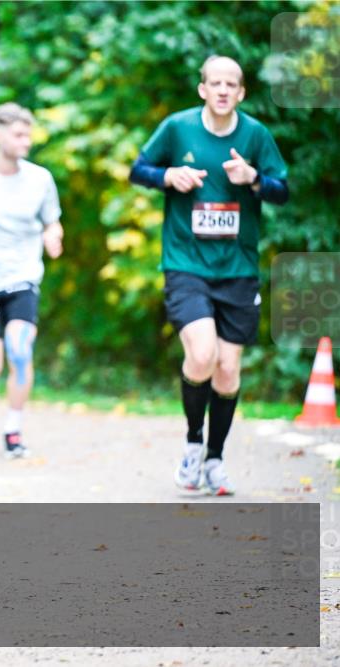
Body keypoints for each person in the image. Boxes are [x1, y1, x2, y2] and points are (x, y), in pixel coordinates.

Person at [130, 55, 289, 495]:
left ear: (241, 92)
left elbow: (283, 189)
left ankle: (216, 460)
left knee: (228, 369)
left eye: (231, 84)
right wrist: (168, 175)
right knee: (202, 355)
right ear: (202, 88)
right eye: (214, 82)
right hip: (186, 263)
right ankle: (193, 446)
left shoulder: (255, 134)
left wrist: (253, 178)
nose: (222, 90)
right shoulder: (178, 128)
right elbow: (136, 171)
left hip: (237, 269)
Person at [0, 103, 63, 458]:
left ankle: (13, 429)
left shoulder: (40, 179)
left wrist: (53, 235)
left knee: (20, 351)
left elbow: (52, 220)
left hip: (22, 278)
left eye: (28, 134)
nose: (26, 141)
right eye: (19, 134)